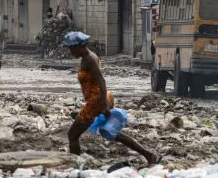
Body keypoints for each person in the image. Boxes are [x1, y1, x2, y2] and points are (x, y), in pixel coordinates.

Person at [65, 31, 159, 164]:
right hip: (100, 98)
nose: (70, 52)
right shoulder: (89, 56)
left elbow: (101, 81)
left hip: (97, 101)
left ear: (77, 46)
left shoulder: (89, 59)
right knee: (115, 134)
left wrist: (103, 105)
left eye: (70, 48)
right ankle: (149, 155)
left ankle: (75, 165)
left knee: (72, 135)